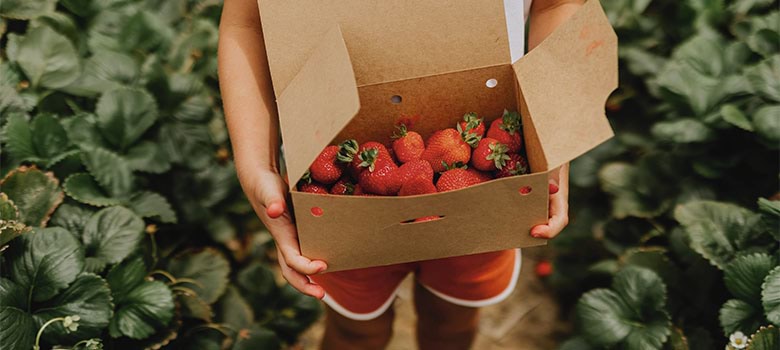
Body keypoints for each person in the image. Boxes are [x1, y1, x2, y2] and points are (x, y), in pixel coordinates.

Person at [218, 0, 575, 348]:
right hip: (339, 203)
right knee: (356, 333)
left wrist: (553, 140)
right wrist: (257, 166)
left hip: (485, 193)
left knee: (452, 322)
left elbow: (556, 4)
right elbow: (246, 21)